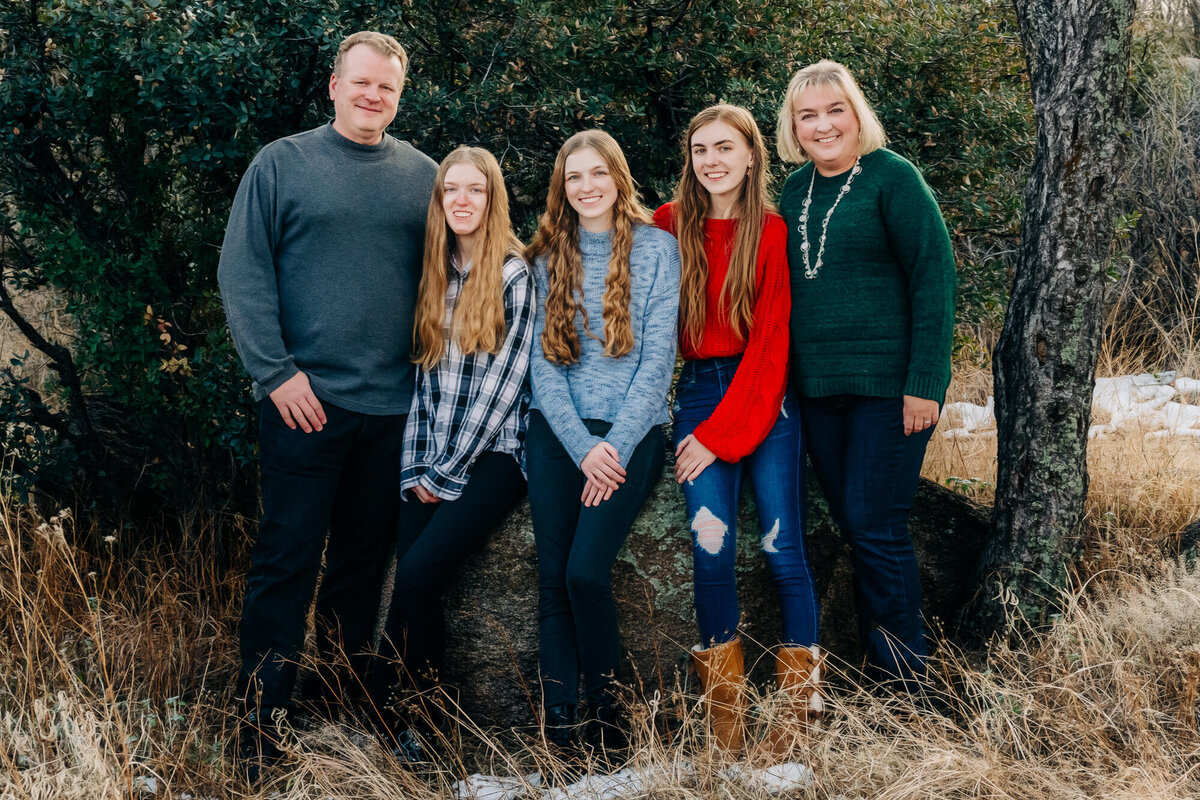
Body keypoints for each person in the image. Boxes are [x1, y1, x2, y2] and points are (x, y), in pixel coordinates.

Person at [216, 30, 437, 774]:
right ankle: (260, 734)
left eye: (388, 88)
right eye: (363, 82)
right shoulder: (283, 164)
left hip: (392, 412)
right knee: (285, 565)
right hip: (301, 406)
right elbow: (241, 272)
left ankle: (344, 721)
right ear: (335, 86)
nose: (374, 96)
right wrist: (275, 373)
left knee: (360, 572)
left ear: (399, 97)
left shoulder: (425, 177)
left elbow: (455, 278)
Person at [775, 60, 956, 690]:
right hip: (817, 394)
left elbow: (933, 276)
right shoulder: (794, 192)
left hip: (889, 391)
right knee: (856, 527)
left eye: (835, 110)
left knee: (876, 526)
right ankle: (881, 674)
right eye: (808, 116)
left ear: (857, 115)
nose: (823, 125)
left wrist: (926, 383)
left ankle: (906, 686)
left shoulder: (892, 178)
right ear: (793, 128)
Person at [653, 104, 820, 759]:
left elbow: (772, 343)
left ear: (752, 156)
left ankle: (794, 727)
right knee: (710, 549)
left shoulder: (771, 232)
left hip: (767, 402)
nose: (712, 161)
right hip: (698, 392)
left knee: (783, 549)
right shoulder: (668, 227)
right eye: (700, 150)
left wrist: (722, 436)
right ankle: (726, 731)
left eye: (726, 148)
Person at [367, 146, 535, 762]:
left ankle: (409, 722)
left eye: (476, 191)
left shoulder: (516, 274)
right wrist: (417, 466)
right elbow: (426, 381)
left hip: (494, 455)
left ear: (493, 201)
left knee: (414, 574)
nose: (462, 201)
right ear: (439, 202)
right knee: (414, 584)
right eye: (451, 191)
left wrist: (446, 471)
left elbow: (503, 388)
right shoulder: (433, 271)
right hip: (430, 449)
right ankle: (406, 731)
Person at [524, 129, 680, 757]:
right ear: (562, 189)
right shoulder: (541, 261)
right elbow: (542, 369)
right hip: (557, 433)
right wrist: (579, 446)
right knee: (554, 579)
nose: (587, 187)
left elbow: (657, 364)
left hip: (631, 431)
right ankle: (561, 737)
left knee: (586, 574)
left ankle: (616, 732)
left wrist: (610, 446)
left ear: (619, 178)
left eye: (598, 174)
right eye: (574, 177)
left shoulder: (657, 251)